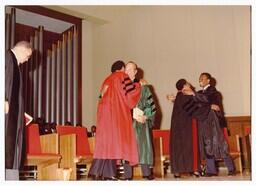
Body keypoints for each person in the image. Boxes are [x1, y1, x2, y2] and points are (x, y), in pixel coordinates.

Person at [88, 60, 141, 180]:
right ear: (122, 68)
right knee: (113, 144)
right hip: (116, 115)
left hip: (103, 116)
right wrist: (138, 86)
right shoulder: (122, 76)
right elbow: (130, 95)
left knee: (107, 144)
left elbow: (100, 96)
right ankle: (95, 172)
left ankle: (108, 173)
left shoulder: (106, 80)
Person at [196, 72, 235, 176]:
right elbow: (198, 103)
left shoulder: (213, 92)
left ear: (208, 80)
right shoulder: (199, 93)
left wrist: (205, 105)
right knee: (207, 144)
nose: (200, 80)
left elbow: (214, 105)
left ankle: (231, 168)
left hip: (214, 121)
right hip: (204, 122)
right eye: (200, 78)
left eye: (203, 78)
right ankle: (211, 170)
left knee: (220, 143)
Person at [5, 41, 33, 180]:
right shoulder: (6, 57)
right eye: (28, 56)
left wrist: (21, 112)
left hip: (12, 117)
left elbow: (14, 96)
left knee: (12, 153)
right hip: (5, 116)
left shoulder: (15, 65)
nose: (27, 60)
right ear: (24, 50)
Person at [125, 62, 156, 180]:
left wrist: (146, 117)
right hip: (126, 122)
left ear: (135, 71)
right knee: (127, 147)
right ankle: (127, 174)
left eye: (130, 69)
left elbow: (150, 105)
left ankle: (147, 173)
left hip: (140, 121)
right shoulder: (122, 88)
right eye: (126, 70)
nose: (127, 72)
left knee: (143, 146)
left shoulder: (143, 87)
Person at [169, 79, 201, 178]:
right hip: (186, 127)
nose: (189, 85)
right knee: (188, 147)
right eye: (187, 84)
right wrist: (194, 95)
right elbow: (195, 110)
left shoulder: (179, 97)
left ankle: (179, 170)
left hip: (178, 128)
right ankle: (192, 169)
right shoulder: (185, 96)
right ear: (183, 87)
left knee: (180, 148)